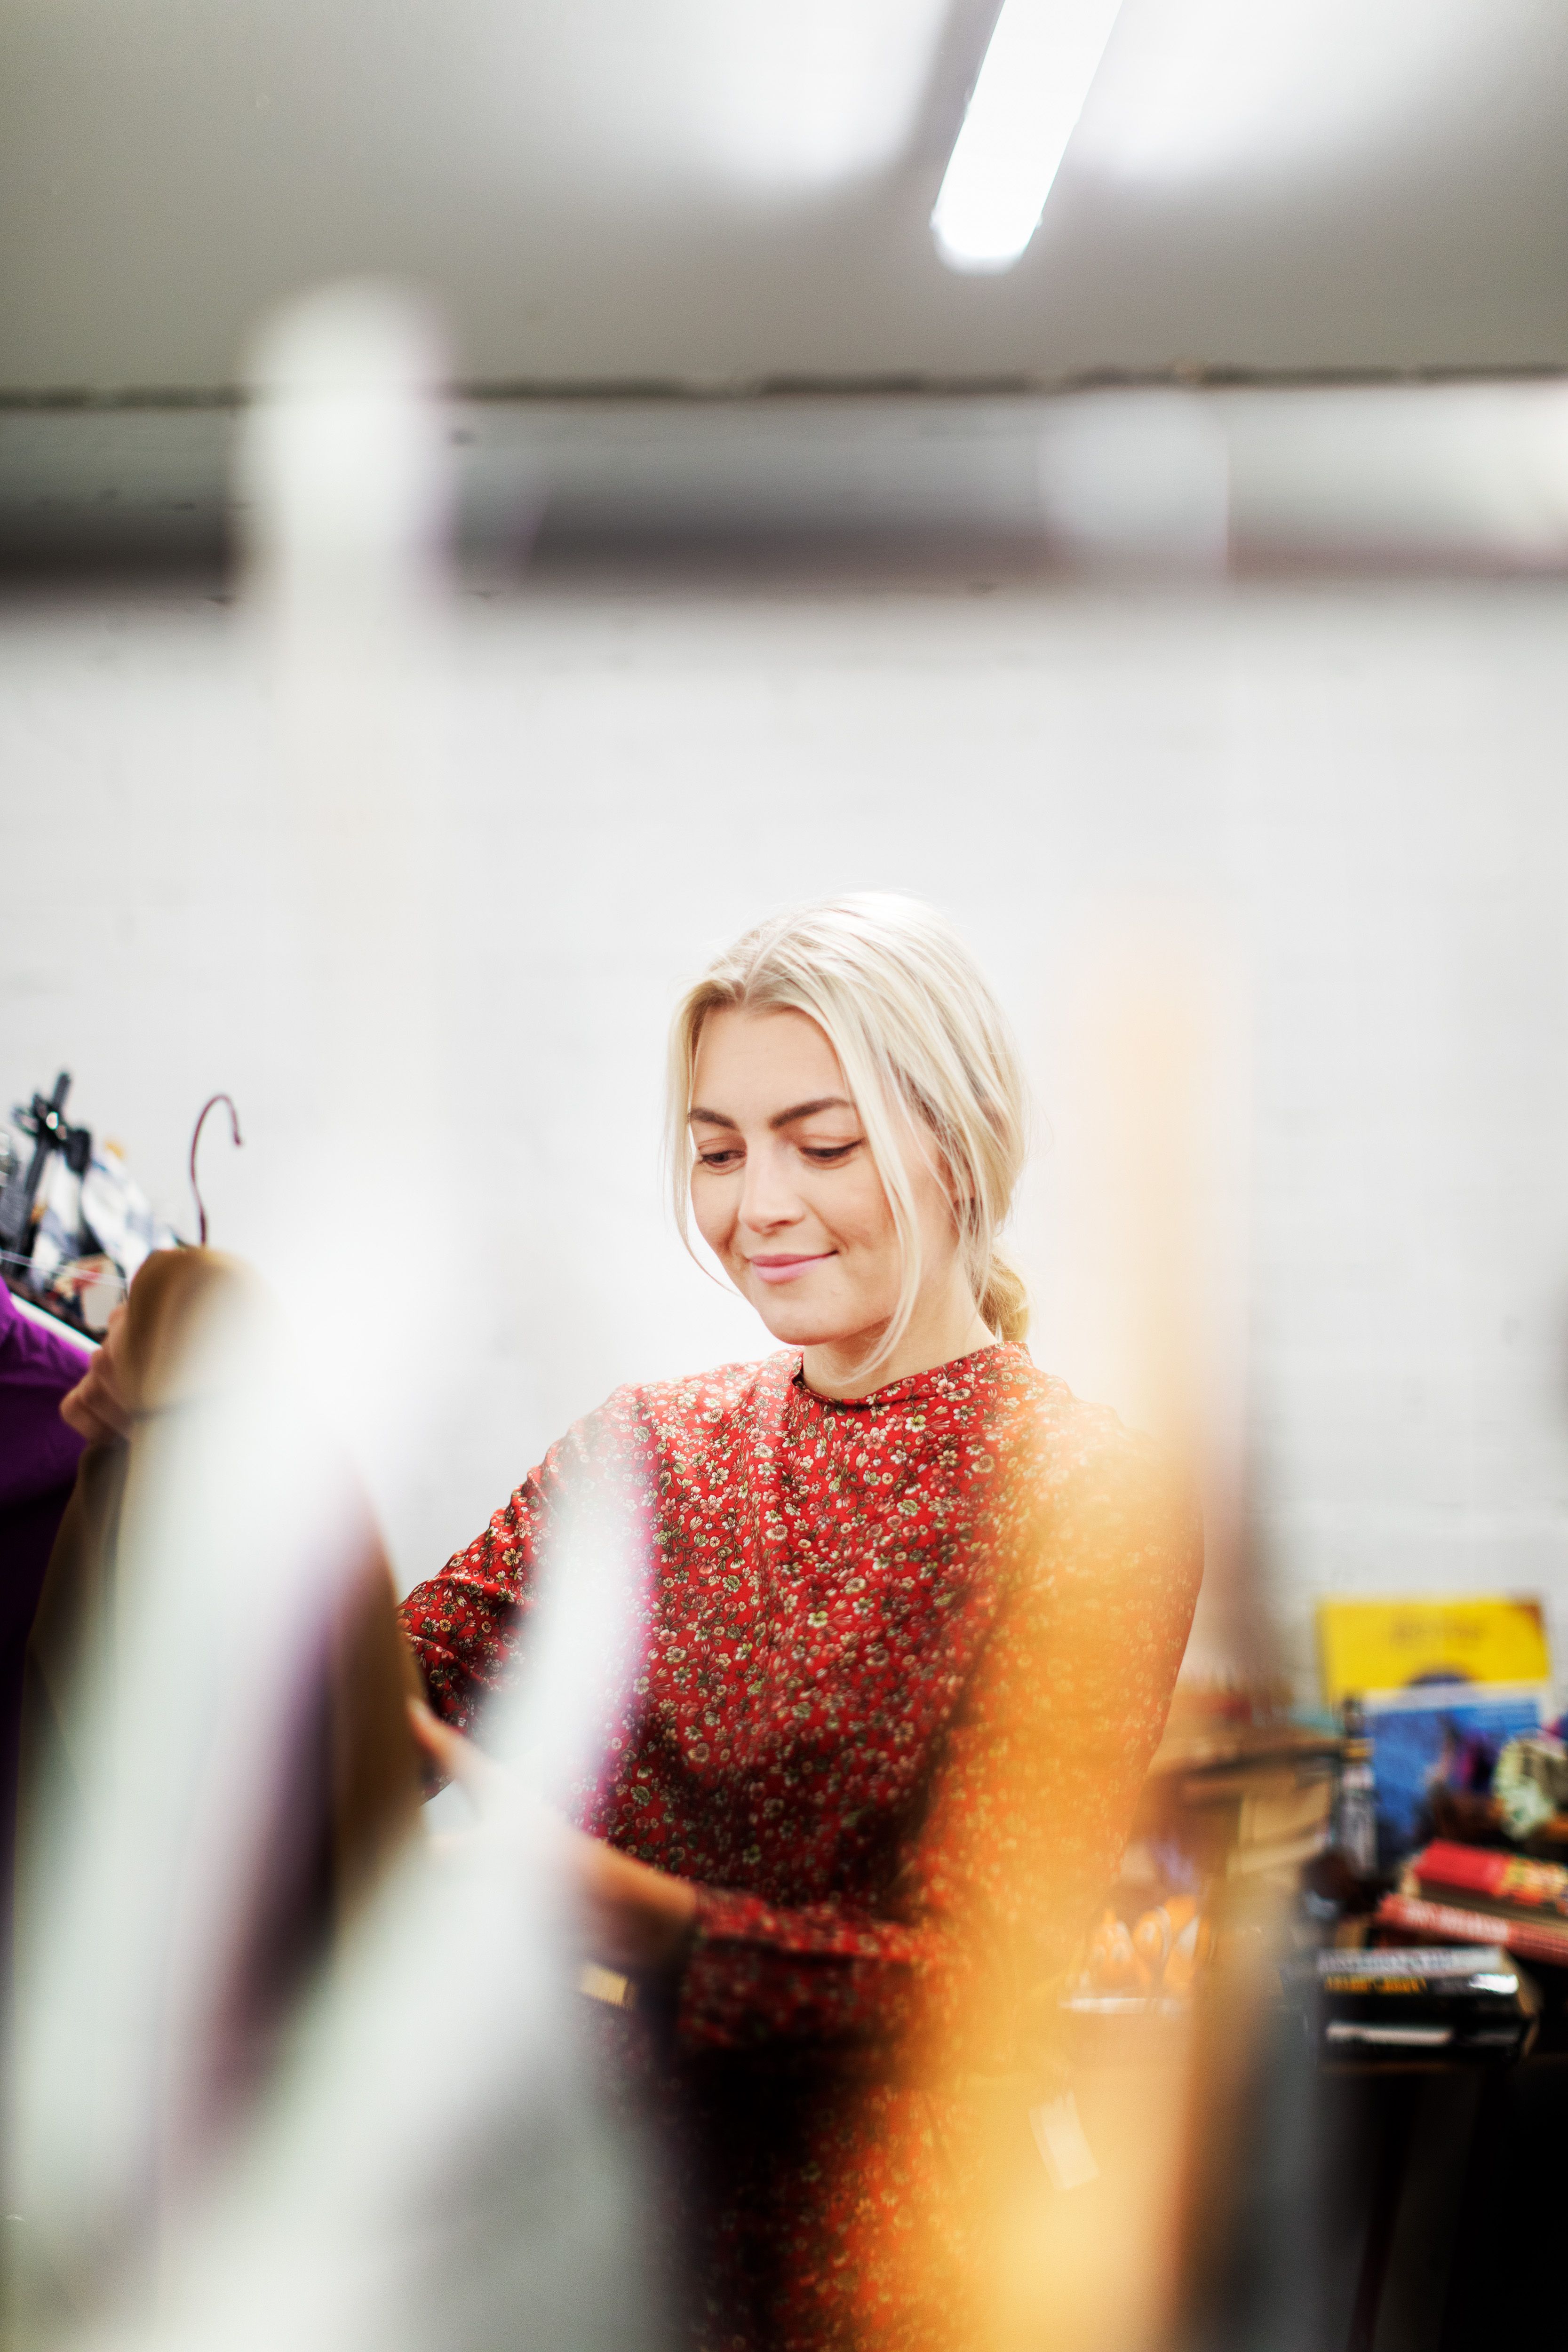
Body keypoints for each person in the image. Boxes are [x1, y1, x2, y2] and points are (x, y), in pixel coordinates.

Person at [397, 895, 1203, 2352]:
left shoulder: (1093, 1500)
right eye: (718, 1152)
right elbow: (369, 1695)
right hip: (595, 2236)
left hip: (887, 2270)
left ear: (959, 1146)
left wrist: (629, 1913)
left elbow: (979, 1981)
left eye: (821, 1146)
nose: (757, 1205)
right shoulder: (646, 1449)